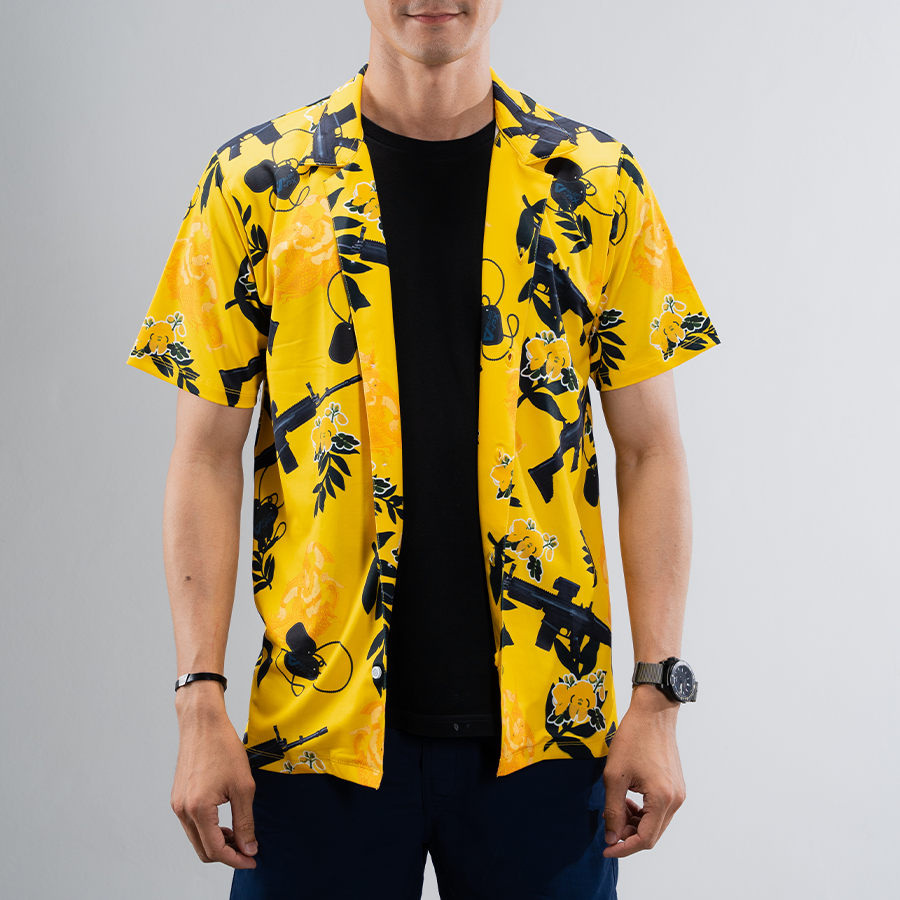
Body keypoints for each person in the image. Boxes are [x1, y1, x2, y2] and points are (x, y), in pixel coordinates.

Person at [127, 2, 719, 897]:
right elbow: (206, 456)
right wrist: (197, 698)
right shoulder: (256, 182)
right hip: (316, 735)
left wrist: (657, 696)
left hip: (549, 735)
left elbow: (650, 452)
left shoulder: (596, 184)